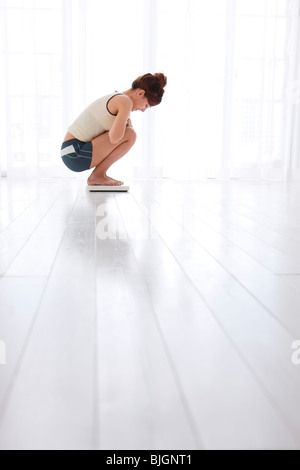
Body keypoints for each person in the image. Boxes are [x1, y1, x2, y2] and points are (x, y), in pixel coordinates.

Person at [61, 73, 167, 186]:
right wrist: (127, 126)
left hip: (70, 152)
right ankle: (97, 175)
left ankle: (98, 175)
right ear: (141, 93)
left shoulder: (119, 97)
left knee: (129, 133)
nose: (143, 110)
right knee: (130, 135)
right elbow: (115, 138)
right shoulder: (125, 101)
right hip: (74, 154)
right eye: (146, 105)